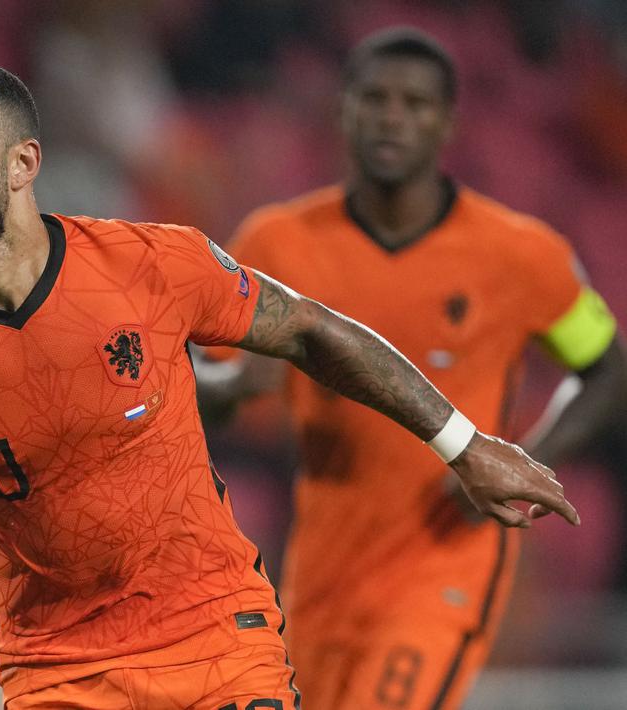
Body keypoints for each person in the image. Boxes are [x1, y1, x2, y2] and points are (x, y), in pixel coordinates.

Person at [0, 59, 578, 710]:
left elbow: (311, 331)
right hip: (57, 671)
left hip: (212, 636)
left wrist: (463, 445)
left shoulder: (151, 265)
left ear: (21, 164)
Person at [195, 28, 625, 710]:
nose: (392, 117)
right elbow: (208, 386)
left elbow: (606, 369)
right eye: (374, 98)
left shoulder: (521, 255)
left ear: (448, 122)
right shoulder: (275, 242)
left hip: (442, 561)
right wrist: (227, 386)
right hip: (319, 570)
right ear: (343, 112)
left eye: (414, 103)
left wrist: (527, 461)